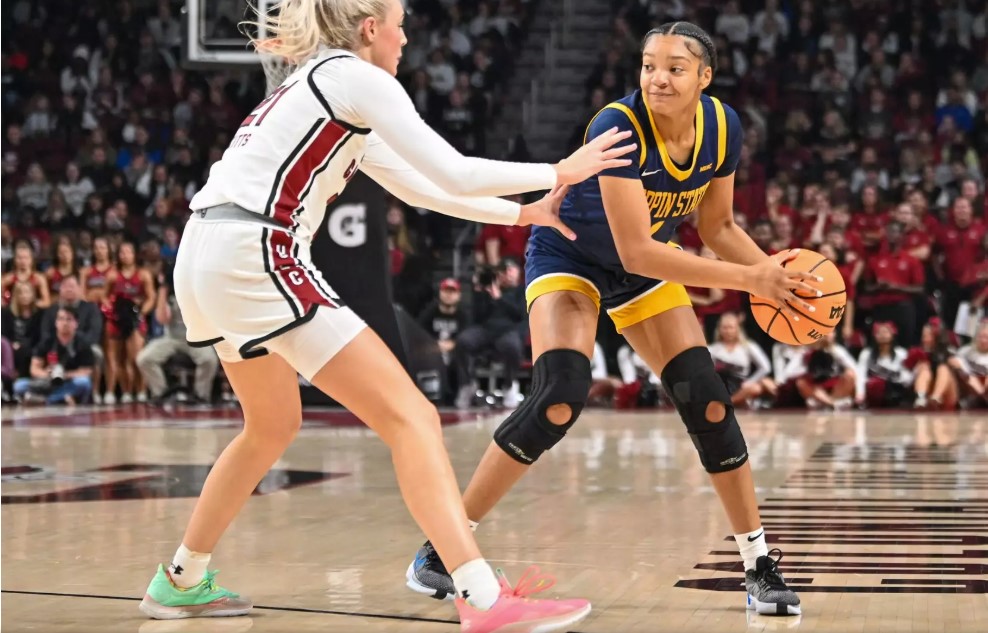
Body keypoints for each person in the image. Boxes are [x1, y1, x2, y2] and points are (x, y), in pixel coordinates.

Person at [138, 0, 636, 630]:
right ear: (371, 29)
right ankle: (482, 597)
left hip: (205, 251)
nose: (405, 39)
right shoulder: (353, 76)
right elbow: (451, 168)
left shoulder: (322, 86)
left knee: (269, 426)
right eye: (400, 26)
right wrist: (557, 170)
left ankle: (180, 578)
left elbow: (425, 189)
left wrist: (525, 211)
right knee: (412, 418)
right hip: (254, 249)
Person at [405, 22, 817, 617]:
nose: (658, 78)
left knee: (707, 401)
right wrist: (754, 281)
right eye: (649, 65)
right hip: (572, 257)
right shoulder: (619, 124)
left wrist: (778, 280)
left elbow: (718, 227)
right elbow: (638, 251)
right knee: (559, 396)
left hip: (644, 271)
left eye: (675, 67)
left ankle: (757, 565)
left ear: (705, 77)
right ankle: (441, 551)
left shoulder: (723, 127)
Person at [136, 268, 219, 404]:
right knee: (144, 358)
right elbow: (162, 319)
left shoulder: (198, 290)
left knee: (209, 360)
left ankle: (201, 395)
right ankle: (161, 393)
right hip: (171, 338)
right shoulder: (169, 295)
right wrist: (163, 290)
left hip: (196, 337)